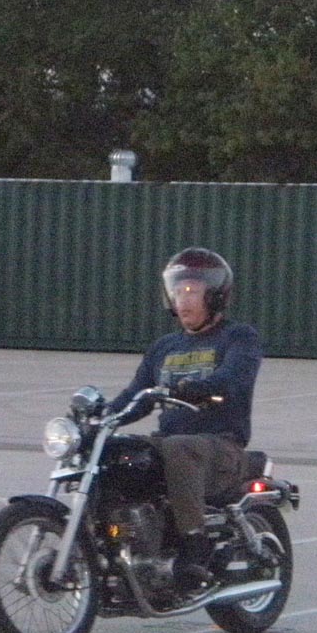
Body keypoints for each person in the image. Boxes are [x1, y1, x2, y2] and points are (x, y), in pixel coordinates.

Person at [106, 247, 262, 589]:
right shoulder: (164, 347)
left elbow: (235, 377)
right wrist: (100, 415)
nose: (184, 300)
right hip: (171, 444)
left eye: (192, 291)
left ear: (215, 295)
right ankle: (119, 539)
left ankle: (195, 542)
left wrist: (202, 388)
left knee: (178, 447)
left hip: (221, 447)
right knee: (116, 453)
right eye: (178, 291)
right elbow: (136, 396)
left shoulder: (239, 337)